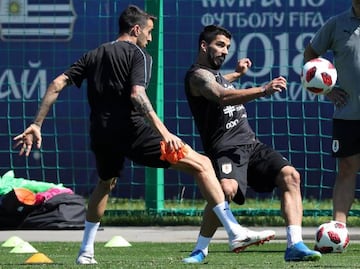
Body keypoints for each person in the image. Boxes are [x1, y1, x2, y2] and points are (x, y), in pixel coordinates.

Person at [13, 5, 275, 265]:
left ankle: (85, 252)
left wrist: (37, 124)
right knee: (203, 164)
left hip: (102, 135)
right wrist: (165, 132)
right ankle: (234, 231)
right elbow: (137, 95)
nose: (150, 38)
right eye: (148, 32)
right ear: (136, 29)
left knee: (106, 184)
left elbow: (58, 83)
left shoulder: (94, 54)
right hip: (134, 132)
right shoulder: (139, 55)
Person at [182, 24, 322, 263]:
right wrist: (263, 89)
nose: (225, 51)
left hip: (252, 145)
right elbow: (220, 95)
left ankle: (295, 245)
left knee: (291, 176)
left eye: (227, 47)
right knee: (225, 191)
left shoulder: (216, 76)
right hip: (226, 148)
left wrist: (236, 74)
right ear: (204, 46)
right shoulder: (197, 76)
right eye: (219, 45)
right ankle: (200, 250)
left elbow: (220, 82)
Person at [304, 0, 360, 240]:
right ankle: (339, 228)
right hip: (348, 113)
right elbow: (310, 54)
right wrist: (327, 90)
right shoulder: (337, 24)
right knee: (347, 168)